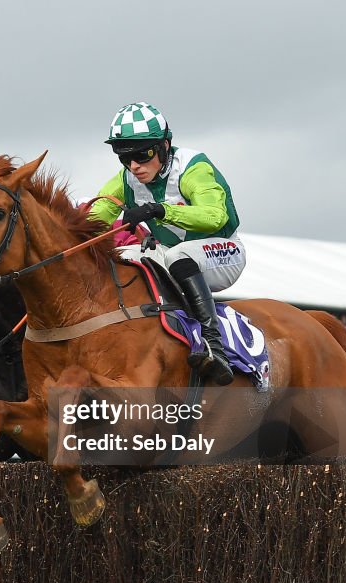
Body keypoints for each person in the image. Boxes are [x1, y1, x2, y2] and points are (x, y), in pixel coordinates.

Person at [88, 102, 246, 386]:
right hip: (173, 253)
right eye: (124, 158)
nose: (134, 166)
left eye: (142, 154)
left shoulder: (193, 167)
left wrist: (159, 210)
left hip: (223, 252)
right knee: (124, 255)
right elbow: (92, 217)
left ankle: (214, 344)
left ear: (164, 145)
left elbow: (215, 216)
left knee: (178, 255)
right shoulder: (127, 178)